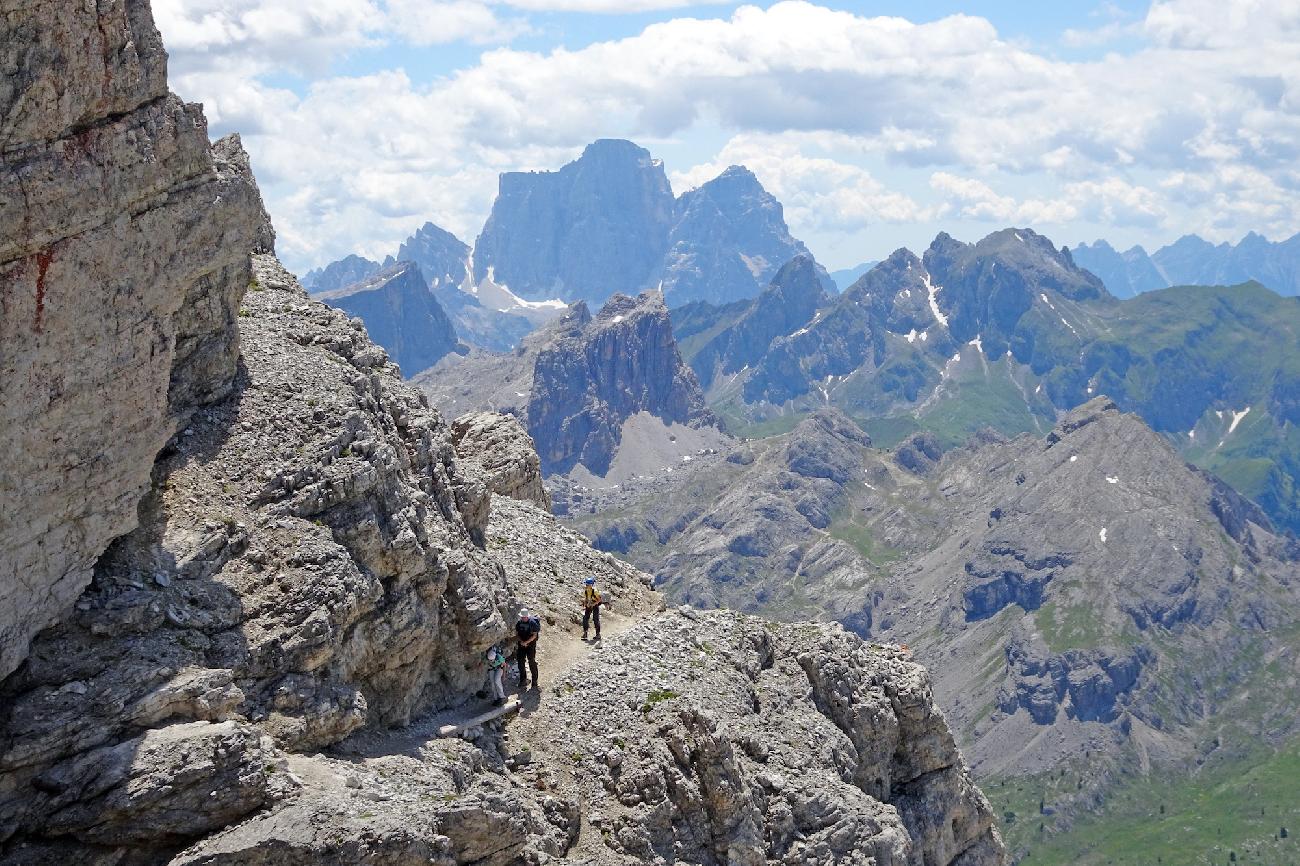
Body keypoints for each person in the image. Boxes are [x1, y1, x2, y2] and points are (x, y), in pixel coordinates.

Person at [515, 608, 540, 690]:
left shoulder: (532, 623)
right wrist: (522, 641)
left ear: (527, 616)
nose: (523, 618)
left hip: (531, 645)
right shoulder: (519, 623)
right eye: (522, 617)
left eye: (524, 617)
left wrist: (526, 642)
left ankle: (534, 681)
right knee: (520, 661)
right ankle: (523, 680)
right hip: (522, 644)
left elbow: (534, 635)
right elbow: (517, 634)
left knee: (531, 661)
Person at [582, 577, 602, 641]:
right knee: (585, 618)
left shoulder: (595, 591)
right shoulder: (586, 591)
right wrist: (585, 604)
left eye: (588, 584)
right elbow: (586, 598)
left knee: (595, 619)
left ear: (591, 584)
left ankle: (598, 634)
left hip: (595, 605)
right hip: (589, 604)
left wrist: (593, 604)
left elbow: (599, 599)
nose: (586, 585)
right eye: (586, 584)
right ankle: (585, 633)